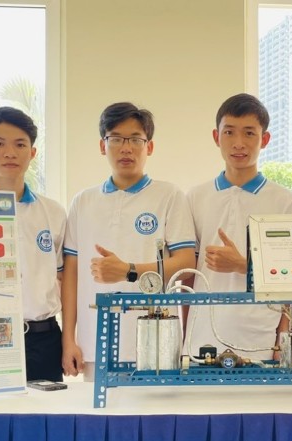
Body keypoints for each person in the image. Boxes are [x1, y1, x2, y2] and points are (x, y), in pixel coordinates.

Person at [60, 102, 196, 380]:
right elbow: (71, 274)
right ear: (102, 145)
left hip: (156, 342)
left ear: (149, 147)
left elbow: (186, 263)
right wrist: (68, 339)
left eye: (135, 139)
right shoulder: (83, 201)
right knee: (100, 408)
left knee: (156, 409)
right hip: (96, 341)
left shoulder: (169, 196)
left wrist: (129, 270)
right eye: (116, 139)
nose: (126, 148)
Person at [182, 93, 292, 363]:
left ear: (265, 139)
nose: (238, 143)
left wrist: (281, 343)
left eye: (249, 133)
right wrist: (185, 338)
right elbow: (188, 278)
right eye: (229, 132)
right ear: (216, 137)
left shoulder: (284, 202)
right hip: (201, 341)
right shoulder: (195, 198)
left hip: (260, 340)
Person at [0, 106, 66, 382]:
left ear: (33, 152)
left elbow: (63, 276)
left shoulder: (53, 212)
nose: (10, 153)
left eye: (20, 144)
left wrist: (70, 340)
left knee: (48, 410)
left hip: (44, 338)